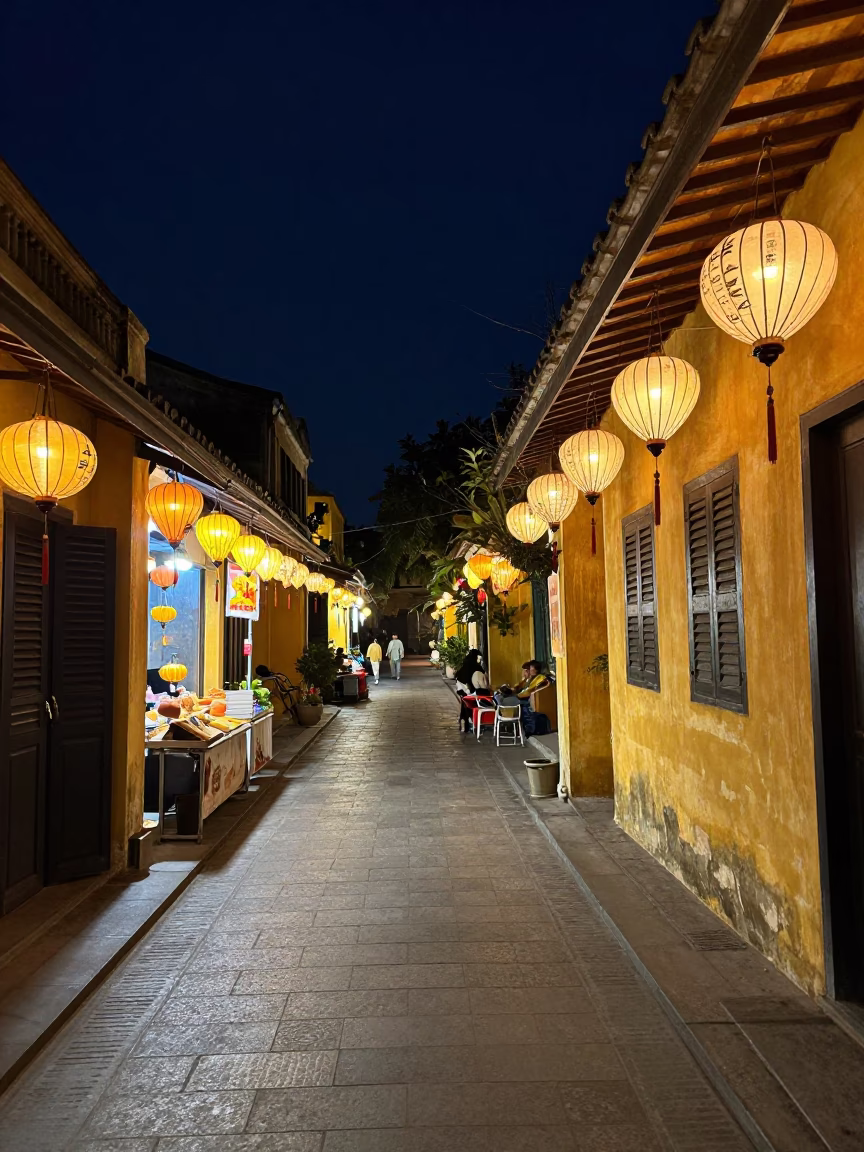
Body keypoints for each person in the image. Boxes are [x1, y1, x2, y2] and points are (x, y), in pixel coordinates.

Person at [495, 659, 550, 735]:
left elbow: (528, 691)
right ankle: (506, 724)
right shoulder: (529, 679)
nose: (528, 671)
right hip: (520, 698)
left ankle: (506, 723)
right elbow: (518, 688)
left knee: (501, 700)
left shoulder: (539, 678)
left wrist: (515, 695)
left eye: (530, 669)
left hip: (525, 700)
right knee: (499, 696)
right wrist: (524, 679)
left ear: (536, 670)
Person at [454, 648, 489, 733]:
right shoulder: (475, 666)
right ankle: (470, 722)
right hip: (467, 689)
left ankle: (464, 722)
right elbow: (481, 674)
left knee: (464, 705)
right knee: (470, 704)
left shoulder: (466, 663)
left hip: (460, 687)